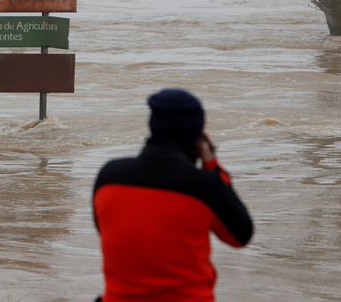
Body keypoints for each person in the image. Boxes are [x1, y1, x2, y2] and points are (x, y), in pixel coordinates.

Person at [93, 88, 253, 302]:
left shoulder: (109, 177)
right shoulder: (204, 186)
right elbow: (240, 236)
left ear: (152, 126)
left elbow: (104, 230)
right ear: (197, 137)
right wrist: (212, 163)